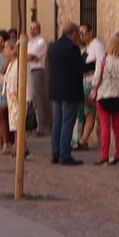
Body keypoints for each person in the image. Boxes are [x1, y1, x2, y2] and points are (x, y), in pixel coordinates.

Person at [48, 22, 87, 167]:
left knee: (57, 122)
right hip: (69, 90)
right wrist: (94, 63)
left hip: (56, 89)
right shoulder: (72, 47)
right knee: (67, 123)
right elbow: (79, 68)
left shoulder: (53, 46)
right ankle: (64, 155)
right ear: (74, 33)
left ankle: (55, 153)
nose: (79, 36)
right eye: (79, 33)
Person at [94, 33, 119, 165]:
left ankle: (104, 156)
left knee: (105, 127)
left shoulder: (102, 61)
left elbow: (96, 79)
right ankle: (118, 155)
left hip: (104, 96)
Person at [78, 23, 106, 153]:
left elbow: (101, 63)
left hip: (91, 81)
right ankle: (82, 138)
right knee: (86, 111)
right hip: (84, 81)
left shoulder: (97, 45)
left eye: (83, 32)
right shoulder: (87, 47)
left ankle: (83, 140)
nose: (81, 36)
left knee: (90, 112)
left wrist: (96, 83)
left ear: (91, 32)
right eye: (79, 33)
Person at [26, 20, 48, 136]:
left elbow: (32, 56)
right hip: (28, 70)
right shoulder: (28, 42)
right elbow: (26, 56)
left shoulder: (41, 41)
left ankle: (41, 127)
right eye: (30, 28)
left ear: (39, 29)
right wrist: (27, 57)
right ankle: (32, 124)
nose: (32, 30)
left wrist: (27, 56)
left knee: (37, 98)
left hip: (37, 70)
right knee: (30, 98)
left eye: (34, 28)